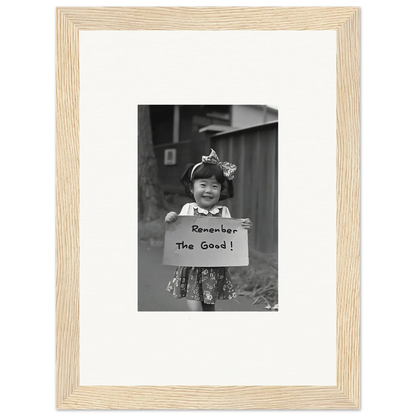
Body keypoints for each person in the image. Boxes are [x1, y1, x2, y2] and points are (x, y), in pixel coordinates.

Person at [165, 148, 252, 311]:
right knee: (195, 305)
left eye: (214, 186)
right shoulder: (188, 209)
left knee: (209, 305)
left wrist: (244, 228)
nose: (208, 190)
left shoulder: (223, 212)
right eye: (203, 185)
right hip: (191, 266)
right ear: (192, 188)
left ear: (220, 189)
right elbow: (177, 229)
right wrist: (170, 218)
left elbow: (231, 237)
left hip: (214, 267)